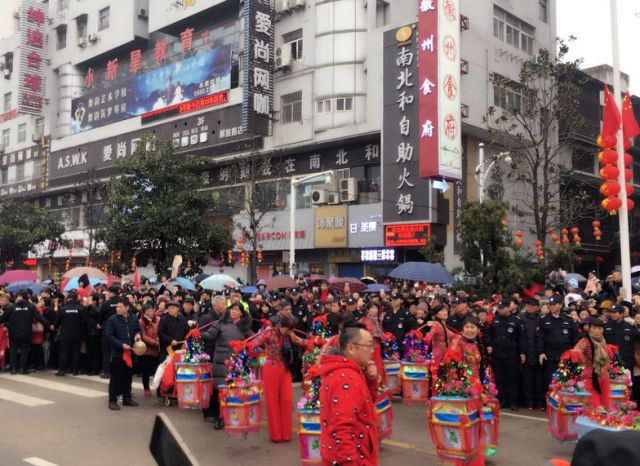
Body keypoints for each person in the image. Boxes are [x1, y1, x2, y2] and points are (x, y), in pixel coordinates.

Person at [319, 324, 380, 465]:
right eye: (368, 346)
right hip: (354, 458)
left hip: (353, 453)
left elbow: (364, 406)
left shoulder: (350, 371)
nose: (372, 351)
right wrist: (350, 462)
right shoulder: (346, 377)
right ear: (351, 348)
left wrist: (371, 381)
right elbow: (341, 428)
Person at [246, 314, 306, 443]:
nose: (289, 332)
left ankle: (286, 434)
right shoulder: (269, 333)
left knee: (286, 401)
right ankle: (276, 435)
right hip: (271, 369)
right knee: (272, 402)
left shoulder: (290, 335)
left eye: (291, 329)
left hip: (285, 370)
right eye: (287, 329)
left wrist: (314, 342)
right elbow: (256, 342)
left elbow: (302, 342)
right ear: (282, 326)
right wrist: (246, 346)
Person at [202, 302, 253, 430]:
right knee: (221, 391)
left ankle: (233, 416)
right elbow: (209, 335)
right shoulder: (221, 323)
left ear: (241, 313)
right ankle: (219, 417)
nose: (234, 312)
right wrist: (199, 334)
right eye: (232, 309)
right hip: (221, 362)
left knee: (234, 391)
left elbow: (253, 341)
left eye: (237, 310)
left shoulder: (245, 327)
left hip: (237, 363)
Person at [485, 299, 526, 411]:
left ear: (508, 308)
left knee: (511, 379)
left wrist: (522, 352)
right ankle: (502, 400)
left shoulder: (516, 320)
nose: (500, 310)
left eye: (502, 308)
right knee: (499, 378)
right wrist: (488, 344)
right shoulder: (495, 320)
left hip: (511, 354)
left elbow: (521, 338)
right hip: (497, 354)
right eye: (499, 308)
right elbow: (489, 334)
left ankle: (513, 401)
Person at [1, 291, 53, 374]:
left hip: (13, 333)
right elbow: (39, 318)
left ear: (20, 297)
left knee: (13, 351)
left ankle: (13, 369)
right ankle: (22, 369)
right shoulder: (31, 307)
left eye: (17, 296)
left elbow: (2, 319)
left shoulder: (12, 307)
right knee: (24, 351)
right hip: (26, 333)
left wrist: (7, 324)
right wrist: (49, 325)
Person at [104, 298, 141, 410]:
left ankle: (127, 398)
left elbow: (139, 330)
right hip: (118, 353)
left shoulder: (134, 318)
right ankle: (112, 400)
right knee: (115, 377)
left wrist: (138, 335)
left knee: (128, 376)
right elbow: (109, 336)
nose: (118, 309)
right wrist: (121, 345)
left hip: (130, 352)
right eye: (117, 307)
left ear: (127, 308)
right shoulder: (112, 320)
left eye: (120, 307)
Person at [569, 318, 614, 410]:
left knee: (605, 402)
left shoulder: (603, 341)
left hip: (604, 375)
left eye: (600, 328)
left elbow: (610, 356)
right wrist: (584, 358)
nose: (597, 331)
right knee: (595, 405)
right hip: (590, 375)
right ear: (589, 328)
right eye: (594, 328)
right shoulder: (584, 342)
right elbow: (576, 353)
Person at [536, 294, 578, 392]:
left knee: (565, 380)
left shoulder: (568, 319)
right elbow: (539, 337)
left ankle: (563, 403)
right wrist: (541, 352)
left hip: (565, 355)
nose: (551, 306)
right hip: (549, 356)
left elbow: (575, 337)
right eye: (550, 304)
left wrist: (574, 352)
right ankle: (550, 403)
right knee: (550, 381)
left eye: (554, 304)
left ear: (560, 305)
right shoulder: (543, 320)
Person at [520, 298, 545, 410]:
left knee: (539, 381)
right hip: (526, 354)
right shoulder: (520, 318)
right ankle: (529, 402)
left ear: (537, 307)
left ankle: (539, 402)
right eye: (527, 305)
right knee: (527, 380)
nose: (529, 307)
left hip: (539, 354)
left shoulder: (542, 319)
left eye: (531, 305)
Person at [55, 291, 86, 376]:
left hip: (65, 333)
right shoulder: (81, 308)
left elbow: (57, 322)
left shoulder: (63, 309)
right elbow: (84, 321)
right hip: (77, 333)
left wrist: (55, 327)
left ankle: (61, 370)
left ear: (69, 299)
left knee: (64, 352)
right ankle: (75, 370)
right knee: (76, 352)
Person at [604, 305, 638, 371]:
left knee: (627, 380)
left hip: (626, 360)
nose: (612, 314)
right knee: (612, 380)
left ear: (622, 313)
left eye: (615, 313)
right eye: (611, 312)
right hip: (610, 360)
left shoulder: (630, 327)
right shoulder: (605, 326)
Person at [99, 285, 120, 378]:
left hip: (108, 329)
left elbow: (100, 317)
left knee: (107, 351)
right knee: (119, 351)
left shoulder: (106, 304)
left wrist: (100, 324)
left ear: (111, 293)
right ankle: (117, 371)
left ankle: (106, 371)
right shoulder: (123, 302)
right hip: (120, 330)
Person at [139, 303, 160, 398]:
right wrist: (154, 342)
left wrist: (160, 339)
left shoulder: (159, 319)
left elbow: (162, 330)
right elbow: (143, 336)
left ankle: (160, 389)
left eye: (151, 310)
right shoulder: (141, 322)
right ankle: (146, 388)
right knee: (146, 370)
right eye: (147, 311)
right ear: (143, 313)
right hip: (147, 349)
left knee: (158, 370)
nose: (150, 313)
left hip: (159, 348)